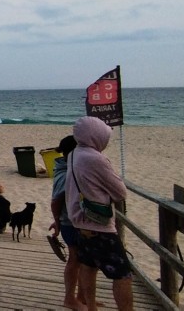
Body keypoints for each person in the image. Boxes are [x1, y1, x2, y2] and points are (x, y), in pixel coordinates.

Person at [65, 116, 132, 310]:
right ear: (95, 136)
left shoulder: (73, 154)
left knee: (88, 266)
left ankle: (91, 306)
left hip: (79, 222)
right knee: (122, 274)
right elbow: (120, 193)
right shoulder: (95, 158)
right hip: (99, 225)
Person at [49, 135, 88, 310]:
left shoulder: (73, 168)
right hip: (69, 223)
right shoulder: (64, 174)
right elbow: (55, 200)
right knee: (75, 259)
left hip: (77, 222)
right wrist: (57, 222)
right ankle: (69, 298)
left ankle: (81, 296)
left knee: (83, 260)